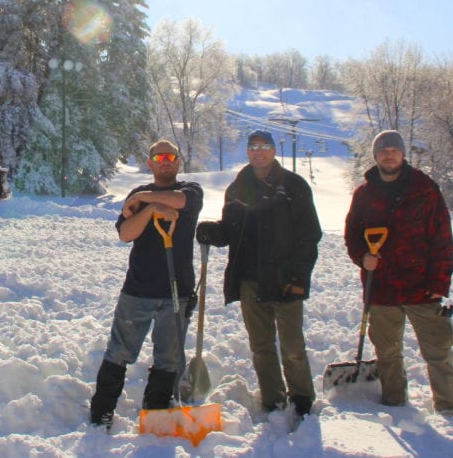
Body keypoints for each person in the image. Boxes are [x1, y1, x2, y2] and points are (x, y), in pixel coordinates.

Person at [195, 129, 322, 418]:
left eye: (264, 146)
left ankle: (302, 400)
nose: (258, 151)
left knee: (292, 346)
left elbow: (309, 235)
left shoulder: (294, 186)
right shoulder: (238, 187)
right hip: (249, 280)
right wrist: (211, 231)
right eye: (253, 147)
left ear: (274, 151)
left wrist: (299, 278)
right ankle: (272, 399)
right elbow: (231, 231)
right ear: (248, 151)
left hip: (285, 279)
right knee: (261, 346)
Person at [344, 129, 453, 417]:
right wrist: (363, 257)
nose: (388, 154)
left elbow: (442, 239)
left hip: (421, 286)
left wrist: (439, 283)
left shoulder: (424, 188)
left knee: (438, 351)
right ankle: (395, 404)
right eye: (383, 150)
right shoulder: (364, 193)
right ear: (375, 155)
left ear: (403, 154)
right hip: (381, 287)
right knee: (387, 352)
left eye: (394, 149)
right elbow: (352, 235)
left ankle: (448, 408)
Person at [89, 140, 204, 430]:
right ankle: (101, 413)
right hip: (137, 291)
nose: (165, 161)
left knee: (168, 359)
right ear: (150, 162)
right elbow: (126, 233)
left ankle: (155, 416)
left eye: (170, 156)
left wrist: (148, 200)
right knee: (118, 354)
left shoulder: (191, 190)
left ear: (178, 162)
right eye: (158, 156)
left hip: (176, 292)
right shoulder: (139, 196)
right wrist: (150, 208)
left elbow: (180, 202)